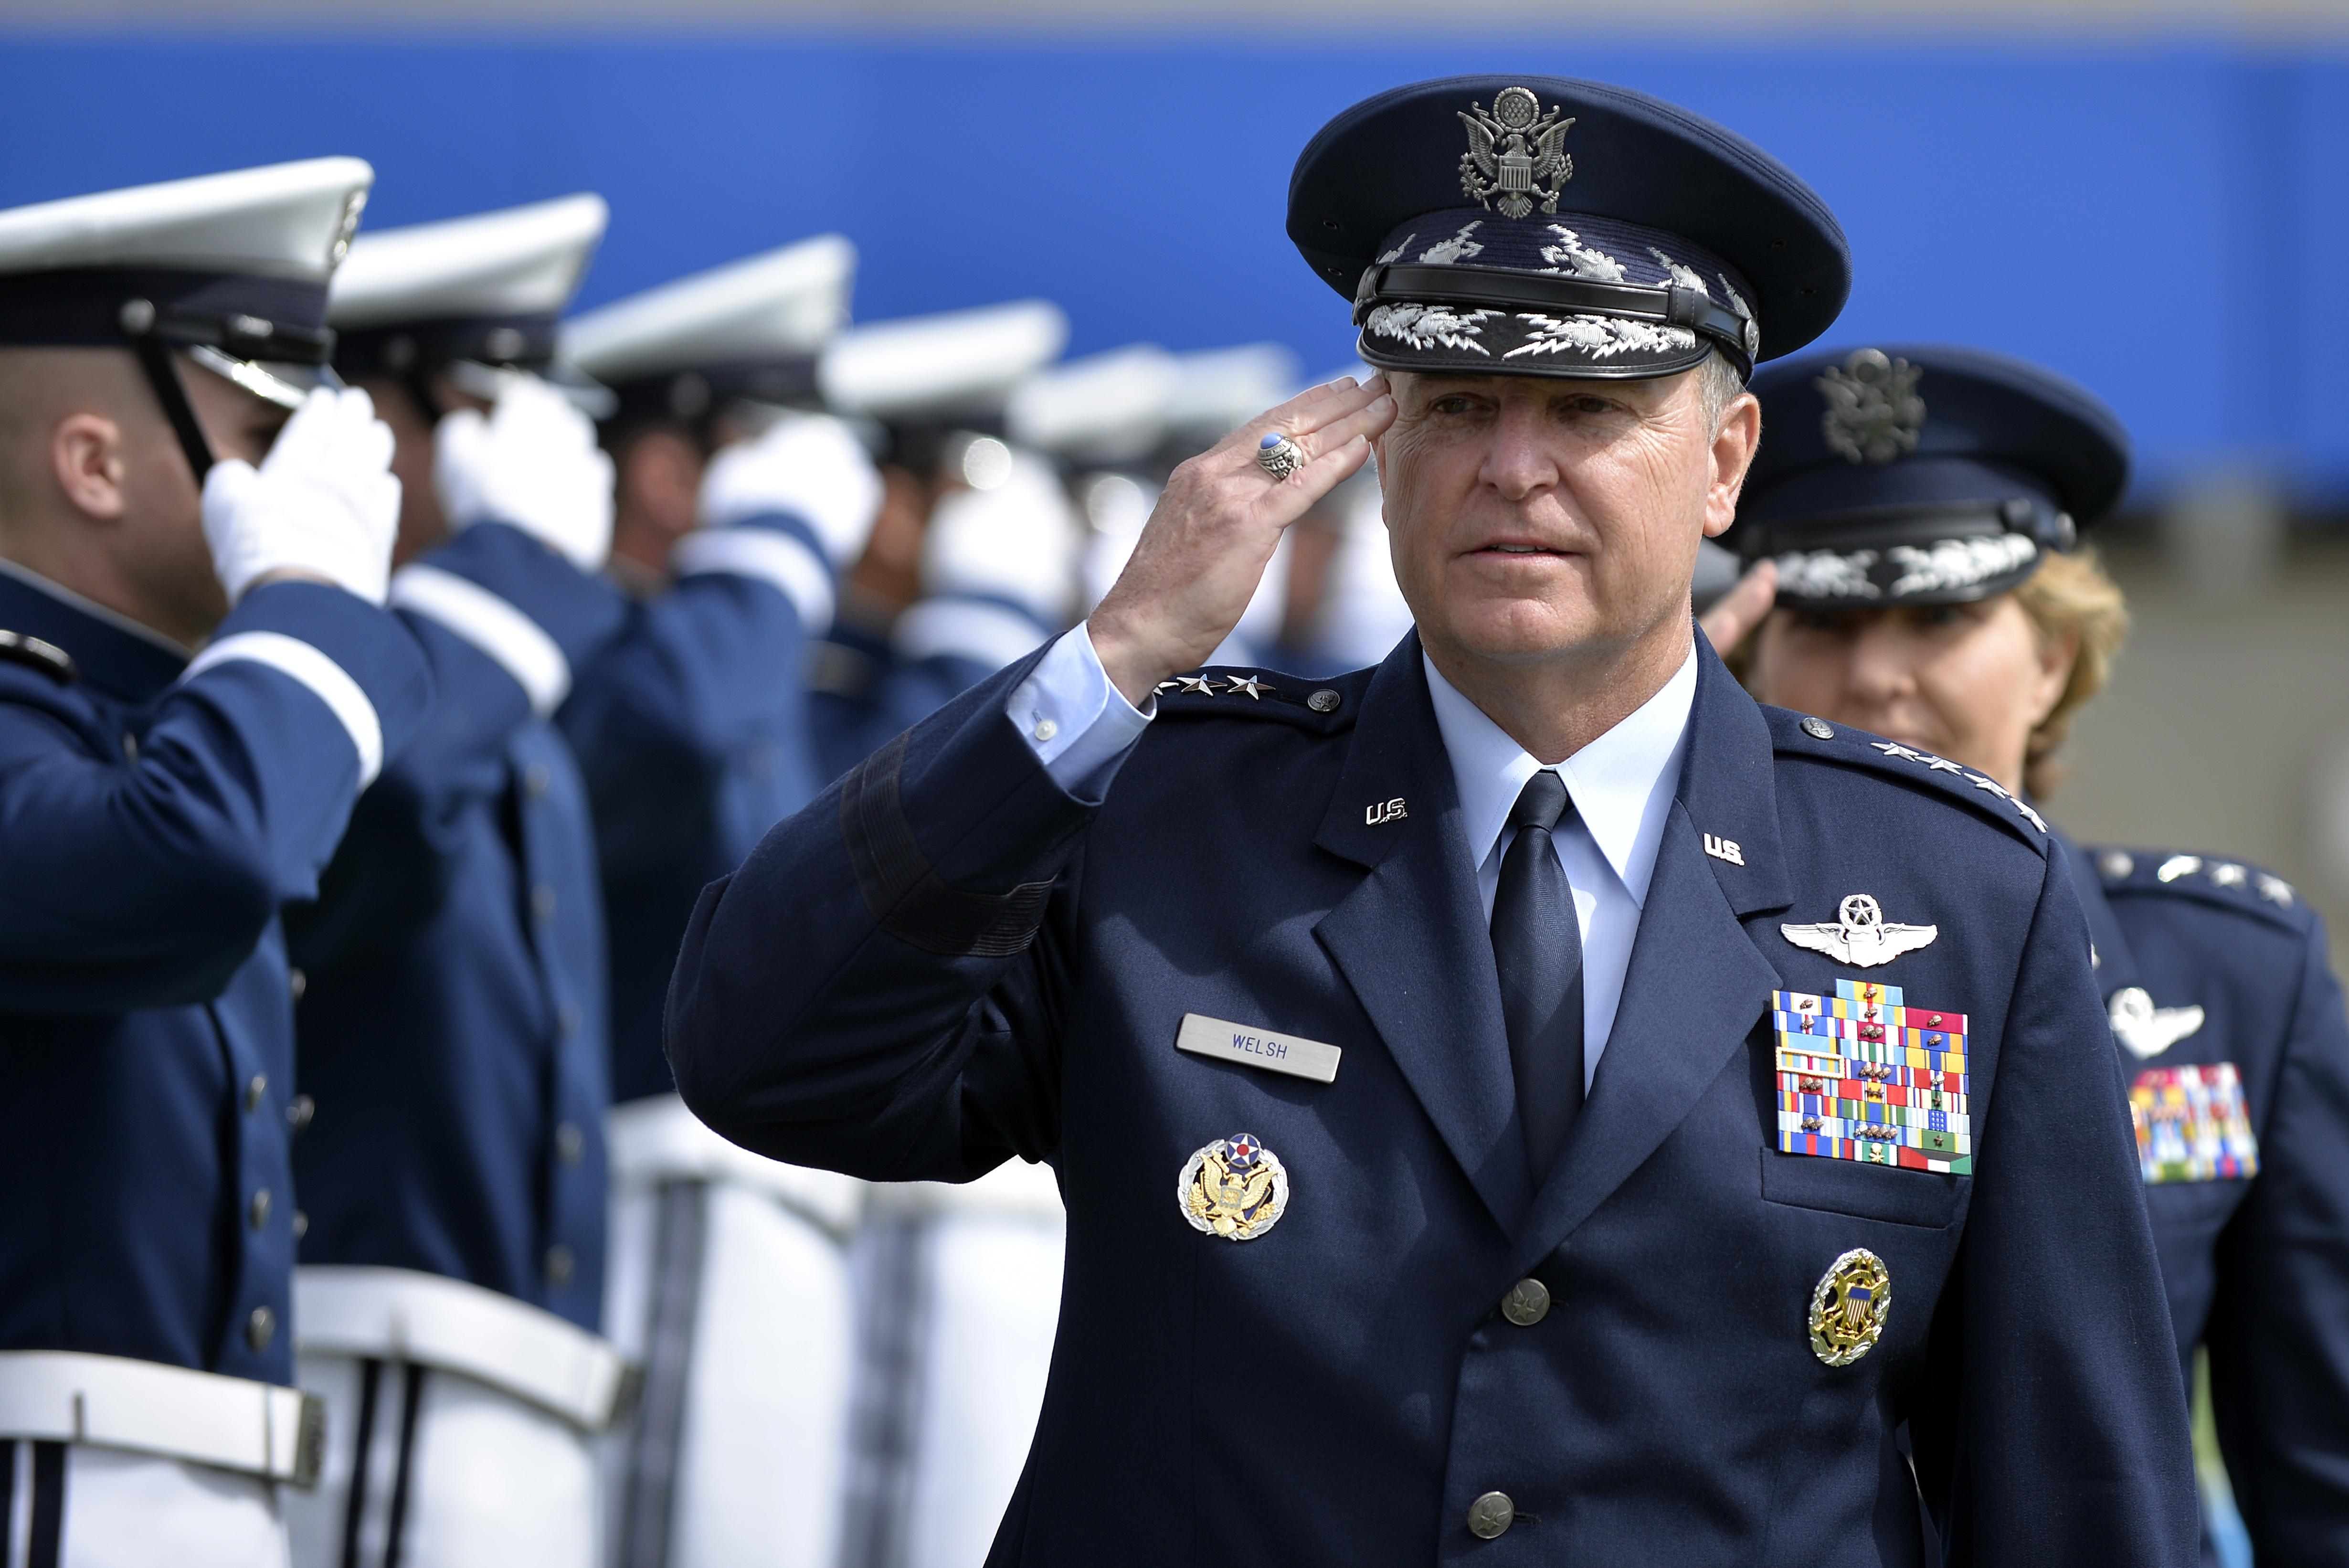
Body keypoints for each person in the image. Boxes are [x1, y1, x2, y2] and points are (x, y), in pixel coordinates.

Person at [663, 74, 2198, 1564]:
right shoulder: (1160, 810)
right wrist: (1110, 658)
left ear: (1724, 461)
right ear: (1380, 439)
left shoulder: (1952, 892)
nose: (1512, 468)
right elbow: (766, 1054)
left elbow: (2075, 1488)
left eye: (1587, 405)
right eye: (1457, 401)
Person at [1722, 342, 2349, 1567]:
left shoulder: (2231, 979)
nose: (1876, 677)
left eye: (1940, 618)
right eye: (1823, 621)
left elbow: (2322, 1487)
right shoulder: (1646, 951)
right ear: (1744, 655)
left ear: (2052, 658)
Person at [0, 159, 430, 1563]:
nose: (315, 482)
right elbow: (205, 856)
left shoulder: (180, 715)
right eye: (266, 433)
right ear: (94, 464)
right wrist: (302, 598)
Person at [286, 195, 632, 1568]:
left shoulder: (498, 669)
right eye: (476, 406)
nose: (518, 458)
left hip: (520, 1367)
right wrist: (503, 579)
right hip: (376, 1349)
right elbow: (382, 811)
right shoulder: (323, 671)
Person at [555, 235, 884, 1568]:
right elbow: (679, 722)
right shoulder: (626, 646)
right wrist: (768, 550)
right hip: (661, 1179)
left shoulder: (752, 644)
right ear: (667, 471)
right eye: (770, 451)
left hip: (771, 1193)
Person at [805, 299, 1068, 781]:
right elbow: (917, 796)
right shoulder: (814, 666)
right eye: (963, 488)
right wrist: (983, 616)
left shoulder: (881, 657)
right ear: (893, 499)